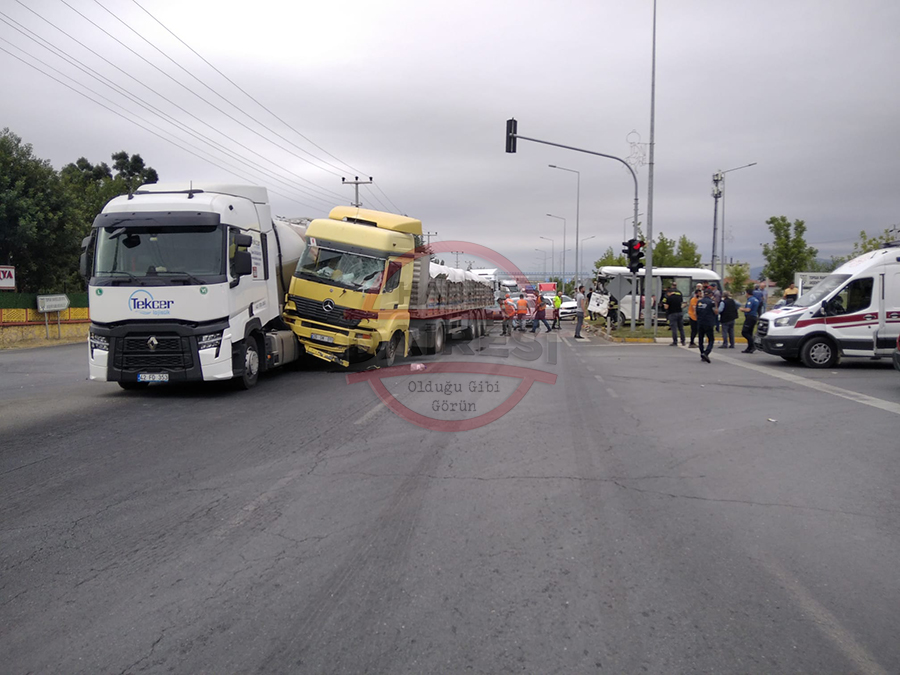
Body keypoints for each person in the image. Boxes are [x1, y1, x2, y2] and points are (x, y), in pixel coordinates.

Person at [695, 287, 718, 363]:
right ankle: (706, 352)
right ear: (711, 294)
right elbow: (716, 312)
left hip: (700, 322)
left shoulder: (699, 302)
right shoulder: (711, 302)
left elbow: (696, 313)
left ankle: (702, 353)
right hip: (709, 323)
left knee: (701, 339)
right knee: (711, 339)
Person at [739, 285, 761, 353]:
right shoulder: (756, 299)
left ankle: (753, 345)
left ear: (748, 293)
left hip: (750, 317)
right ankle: (749, 348)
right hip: (754, 317)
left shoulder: (750, 300)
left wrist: (742, 309)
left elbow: (748, 309)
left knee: (744, 332)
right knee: (749, 333)